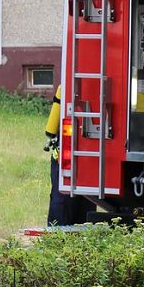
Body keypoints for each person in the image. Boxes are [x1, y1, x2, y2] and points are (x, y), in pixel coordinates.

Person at [45, 85, 91, 226]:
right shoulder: (66, 88)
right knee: (67, 196)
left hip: (67, 150)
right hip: (66, 151)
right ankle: (59, 236)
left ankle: (60, 235)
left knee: (70, 196)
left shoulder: (65, 87)